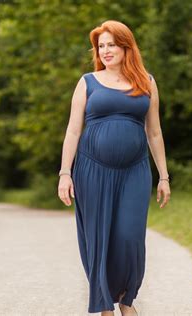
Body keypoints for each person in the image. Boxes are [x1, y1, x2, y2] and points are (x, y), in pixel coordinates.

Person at [57, 20, 170, 315]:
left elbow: (154, 132)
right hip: (92, 171)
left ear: (125, 46)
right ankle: (107, 305)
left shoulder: (147, 82)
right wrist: (65, 173)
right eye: (100, 46)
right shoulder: (88, 82)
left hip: (135, 171)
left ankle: (126, 299)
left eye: (111, 45)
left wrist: (164, 177)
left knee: (129, 237)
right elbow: (72, 131)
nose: (105, 51)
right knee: (99, 238)